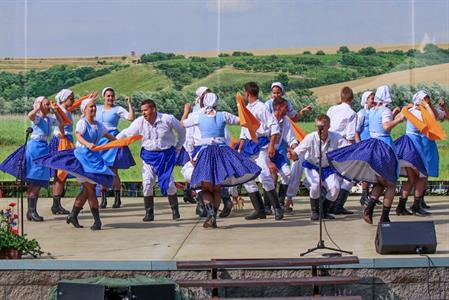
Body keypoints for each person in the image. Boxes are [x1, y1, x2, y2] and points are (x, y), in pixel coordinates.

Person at [35, 97, 117, 230]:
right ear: (84, 109)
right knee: (90, 189)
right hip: (82, 159)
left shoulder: (99, 125)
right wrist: (87, 144)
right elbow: (78, 136)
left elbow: (111, 138)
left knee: (86, 190)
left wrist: (122, 143)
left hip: (94, 160)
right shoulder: (82, 123)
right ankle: (97, 221)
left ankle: (73, 215)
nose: (93, 108)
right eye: (90, 106)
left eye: (94, 106)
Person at [182, 93, 261, 228]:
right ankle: (213, 217)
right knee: (217, 189)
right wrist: (240, 106)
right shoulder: (223, 115)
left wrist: (186, 112)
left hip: (206, 153)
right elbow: (241, 121)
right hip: (222, 153)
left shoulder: (198, 116)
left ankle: (211, 215)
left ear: (204, 102)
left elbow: (182, 124)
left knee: (205, 188)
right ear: (216, 103)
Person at [327, 85, 405, 224]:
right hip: (384, 148)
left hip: (373, 146)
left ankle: (369, 209)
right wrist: (399, 119)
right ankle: (384, 216)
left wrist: (396, 115)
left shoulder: (373, 111)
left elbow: (382, 123)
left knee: (380, 183)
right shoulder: (385, 110)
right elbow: (386, 127)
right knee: (391, 183)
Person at [117, 99, 186, 222]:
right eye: (142, 110)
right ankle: (149, 213)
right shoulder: (139, 122)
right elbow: (127, 133)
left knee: (169, 184)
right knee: (147, 183)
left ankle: (175, 210)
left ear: (153, 109)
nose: (143, 113)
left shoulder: (167, 119)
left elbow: (181, 130)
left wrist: (178, 147)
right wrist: (114, 141)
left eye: (146, 110)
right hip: (148, 157)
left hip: (166, 157)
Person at [237, 82, 282, 221]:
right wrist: (240, 147)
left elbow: (274, 126)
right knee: (246, 177)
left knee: (264, 176)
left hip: (261, 143)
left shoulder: (261, 107)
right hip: (248, 146)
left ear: (248, 94)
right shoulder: (247, 108)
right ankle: (259, 209)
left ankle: (277, 208)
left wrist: (271, 146)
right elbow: (244, 131)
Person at [288, 114, 346, 220]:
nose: (320, 130)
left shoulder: (336, 137)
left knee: (335, 189)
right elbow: (297, 152)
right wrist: (292, 155)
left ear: (328, 126)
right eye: (317, 127)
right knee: (315, 185)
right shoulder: (310, 137)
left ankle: (323, 211)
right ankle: (315, 211)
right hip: (312, 166)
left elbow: (347, 150)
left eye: (322, 127)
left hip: (328, 168)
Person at [394, 91, 433, 216]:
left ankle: (401, 206)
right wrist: (427, 107)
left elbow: (398, 118)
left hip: (407, 144)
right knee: (423, 176)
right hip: (414, 145)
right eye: (425, 99)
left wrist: (404, 109)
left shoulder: (410, 111)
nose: (427, 101)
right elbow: (432, 120)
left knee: (411, 178)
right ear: (420, 100)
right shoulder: (419, 113)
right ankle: (416, 206)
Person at [96, 87, 135, 209]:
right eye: (108, 96)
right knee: (101, 169)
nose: (110, 98)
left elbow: (130, 118)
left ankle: (117, 199)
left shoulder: (117, 109)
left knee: (113, 170)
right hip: (100, 140)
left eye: (112, 96)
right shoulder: (97, 108)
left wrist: (129, 103)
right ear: (104, 97)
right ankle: (103, 199)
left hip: (113, 138)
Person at [326, 86, 358, 215]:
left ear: (341, 97)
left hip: (328, 143)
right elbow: (350, 136)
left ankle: (330, 203)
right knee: (348, 175)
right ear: (352, 99)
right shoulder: (352, 113)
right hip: (342, 145)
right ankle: (337, 205)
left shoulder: (332, 109)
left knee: (332, 175)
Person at [49, 89, 75, 215]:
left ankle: (56, 204)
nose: (73, 101)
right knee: (60, 174)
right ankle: (56, 205)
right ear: (64, 99)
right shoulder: (60, 110)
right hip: (62, 142)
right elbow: (60, 125)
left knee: (60, 175)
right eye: (71, 98)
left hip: (65, 141)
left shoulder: (65, 110)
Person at [355, 91, 375, 206]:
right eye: (372, 98)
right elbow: (356, 131)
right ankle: (364, 195)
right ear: (366, 99)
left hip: (373, 144)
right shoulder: (361, 114)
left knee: (373, 169)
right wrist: (359, 146)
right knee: (366, 170)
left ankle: (371, 195)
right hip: (365, 144)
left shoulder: (374, 112)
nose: (374, 100)